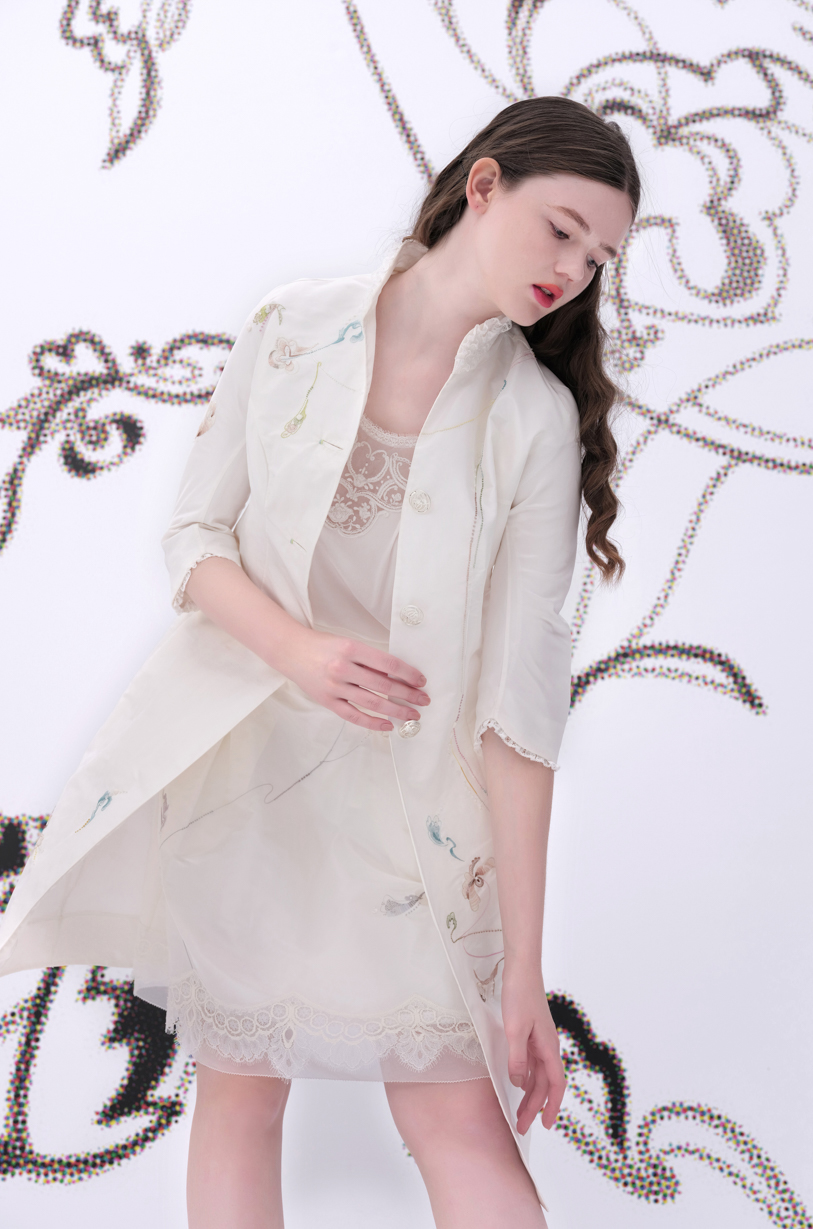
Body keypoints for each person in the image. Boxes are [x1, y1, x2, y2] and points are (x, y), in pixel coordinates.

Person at [0, 96, 639, 1227]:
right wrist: (298, 651)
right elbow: (195, 539)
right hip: (248, 789)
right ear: (483, 185)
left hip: (417, 824)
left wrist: (524, 973)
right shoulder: (292, 326)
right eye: (562, 230)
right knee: (240, 1098)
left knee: (455, 1121)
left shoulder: (534, 420)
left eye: (599, 259)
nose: (574, 271)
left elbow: (522, 708)